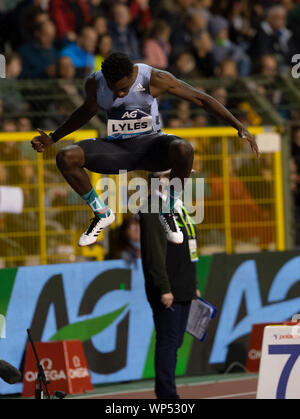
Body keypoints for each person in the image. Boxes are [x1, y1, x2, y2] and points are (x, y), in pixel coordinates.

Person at [31, 52, 259, 248]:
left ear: (132, 75)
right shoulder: (95, 83)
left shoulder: (154, 78)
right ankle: (101, 214)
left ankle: (167, 209)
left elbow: (200, 99)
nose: (119, 95)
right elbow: (86, 111)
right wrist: (53, 137)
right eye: (114, 90)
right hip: (118, 150)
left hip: (152, 147)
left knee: (184, 149)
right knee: (66, 156)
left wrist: (238, 125)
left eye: (123, 89)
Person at [139, 171, 200, 399]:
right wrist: (164, 288)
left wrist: (192, 283)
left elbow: (189, 246)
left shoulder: (178, 205)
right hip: (169, 288)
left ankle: (168, 391)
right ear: (161, 180)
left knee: (176, 342)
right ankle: (167, 395)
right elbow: (154, 254)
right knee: (168, 342)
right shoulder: (152, 208)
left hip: (183, 286)